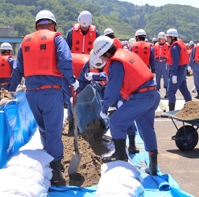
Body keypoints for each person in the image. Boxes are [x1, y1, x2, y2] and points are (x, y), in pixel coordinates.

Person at [8, 10, 79, 186]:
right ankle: (56, 175)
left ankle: (48, 167)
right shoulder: (56, 38)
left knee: (44, 130)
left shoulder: (25, 41)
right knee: (54, 133)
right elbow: (65, 61)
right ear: (53, 24)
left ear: (36, 25)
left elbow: (18, 70)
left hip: (31, 94)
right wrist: (72, 81)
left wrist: (10, 92)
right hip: (51, 92)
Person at [93, 36, 160, 175]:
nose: (101, 60)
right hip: (152, 94)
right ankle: (153, 166)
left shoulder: (115, 62)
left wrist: (104, 106)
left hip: (141, 96)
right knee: (146, 128)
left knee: (116, 121)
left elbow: (113, 89)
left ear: (107, 53)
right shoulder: (126, 53)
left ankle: (120, 154)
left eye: (101, 57)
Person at [79, 50, 140, 154]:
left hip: (118, 89)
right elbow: (82, 82)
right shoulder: (88, 64)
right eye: (97, 66)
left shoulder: (115, 64)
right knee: (100, 112)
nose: (99, 67)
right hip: (100, 89)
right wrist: (79, 98)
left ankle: (132, 144)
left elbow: (119, 81)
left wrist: (121, 99)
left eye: (101, 65)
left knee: (125, 114)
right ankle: (98, 132)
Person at [62, 53, 89, 135]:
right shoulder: (93, 64)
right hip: (67, 73)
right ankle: (72, 128)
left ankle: (75, 126)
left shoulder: (93, 60)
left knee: (73, 98)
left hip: (69, 69)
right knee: (73, 98)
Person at [166, 28, 192, 111]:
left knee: (170, 92)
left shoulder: (174, 47)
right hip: (182, 71)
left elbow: (176, 62)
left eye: (168, 37)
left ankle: (171, 111)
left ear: (172, 37)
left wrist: (174, 74)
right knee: (184, 90)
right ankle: (191, 108)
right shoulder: (179, 44)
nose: (167, 39)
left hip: (178, 71)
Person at [153, 32, 169, 98]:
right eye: (162, 38)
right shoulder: (155, 46)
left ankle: (167, 92)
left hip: (165, 62)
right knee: (158, 77)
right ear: (159, 39)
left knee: (166, 77)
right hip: (157, 62)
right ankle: (157, 92)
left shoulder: (168, 45)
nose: (163, 40)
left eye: (164, 38)